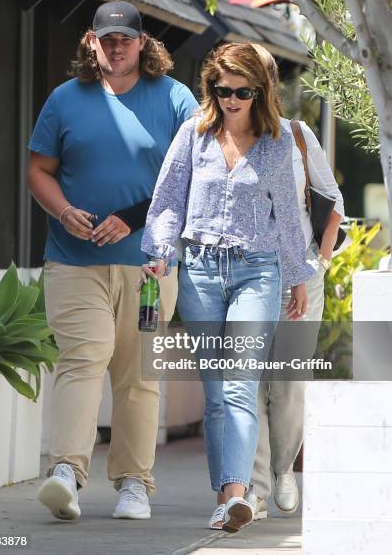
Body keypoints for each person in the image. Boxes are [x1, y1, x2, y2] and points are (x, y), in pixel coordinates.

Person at [27, 0, 198, 522]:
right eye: (108, 39)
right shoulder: (65, 100)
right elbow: (39, 169)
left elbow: (196, 177)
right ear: (91, 42)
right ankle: (65, 472)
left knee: (138, 377)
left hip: (150, 269)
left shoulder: (175, 98)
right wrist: (62, 211)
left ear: (142, 43)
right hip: (75, 263)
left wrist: (134, 217)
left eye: (127, 38)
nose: (117, 46)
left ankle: (133, 483)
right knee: (84, 358)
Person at [139, 43, 315, 532]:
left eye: (243, 91)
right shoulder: (193, 135)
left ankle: (238, 494)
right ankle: (226, 496)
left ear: (260, 91)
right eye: (224, 89)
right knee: (216, 392)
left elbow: (286, 218)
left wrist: (297, 276)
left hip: (258, 271)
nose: (233, 99)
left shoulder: (277, 142)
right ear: (212, 88)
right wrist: (159, 251)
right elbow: (169, 198)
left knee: (240, 384)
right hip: (198, 270)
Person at [246, 44, 345, 520]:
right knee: (246, 380)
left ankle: (284, 470)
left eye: (260, 77)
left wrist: (319, 265)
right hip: (244, 271)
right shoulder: (225, 137)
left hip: (299, 274)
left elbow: (333, 203)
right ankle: (256, 486)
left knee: (286, 383)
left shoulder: (299, 136)